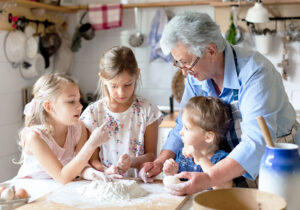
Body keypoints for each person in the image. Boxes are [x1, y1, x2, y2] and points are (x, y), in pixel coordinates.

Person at [140, 12, 300, 194]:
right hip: (229, 164)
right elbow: (181, 126)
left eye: (186, 63)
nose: (184, 72)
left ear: (211, 51)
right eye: (179, 64)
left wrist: (210, 178)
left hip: (277, 164)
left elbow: (256, 142)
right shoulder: (196, 77)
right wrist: (160, 161)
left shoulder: (255, 72)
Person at [80, 46, 163, 177]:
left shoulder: (148, 110)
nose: (121, 92)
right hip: (105, 183)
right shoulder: (93, 114)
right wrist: (106, 170)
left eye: (127, 84)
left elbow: (152, 155)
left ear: (137, 74)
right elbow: (92, 160)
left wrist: (132, 161)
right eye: (114, 86)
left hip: (140, 185)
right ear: (102, 79)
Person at [16, 73, 111, 184]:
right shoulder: (36, 138)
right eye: (71, 101)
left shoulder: (78, 128)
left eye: (79, 100)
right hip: (31, 190)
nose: (80, 106)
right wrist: (91, 144)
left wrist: (93, 173)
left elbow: (81, 164)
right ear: (49, 107)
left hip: (55, 189)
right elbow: (62, 176)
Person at [163, 96, 233, 189]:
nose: (181, 132)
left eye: (187, 128)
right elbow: (178, 183)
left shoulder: (222, 159)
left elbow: (223, 187)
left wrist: (200, 157)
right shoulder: (182, 155)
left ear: (208, 137)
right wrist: (171, 172)